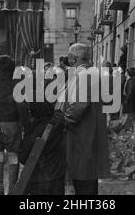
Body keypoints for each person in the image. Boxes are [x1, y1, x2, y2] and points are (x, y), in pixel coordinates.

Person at [58, 43, 109, 195]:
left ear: (73, 58)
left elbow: (79, 105)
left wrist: (64, 121)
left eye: (69, 56)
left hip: (83, 135)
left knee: (84, 181)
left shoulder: (85, 75)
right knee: (84, 179)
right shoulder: (86, 73)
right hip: (83, 134)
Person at [0, 55, 29, 195]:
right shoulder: (17, 87)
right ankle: (12, 190)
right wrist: (24, 125)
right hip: (13, 126)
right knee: (14, 157)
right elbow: (23, 108)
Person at [19, 76, 66, 195]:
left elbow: (24, 157)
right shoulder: (58, 120)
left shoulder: (35, 130)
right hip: (57, 175)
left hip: (39, 179)